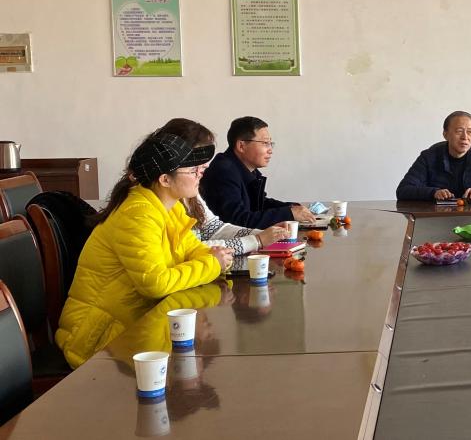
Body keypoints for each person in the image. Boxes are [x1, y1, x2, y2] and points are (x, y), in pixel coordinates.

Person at [56, 133, 233, 368]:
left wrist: (215, 259)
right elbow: (155, 283)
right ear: (165, 179)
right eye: (192, 170)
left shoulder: (168, 208)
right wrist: (213, 263)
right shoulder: (137, 215)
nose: (200, 174)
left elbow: (194, 250)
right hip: (98, 341)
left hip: (139, 330)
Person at [156, 118, 289, 255]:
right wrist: (257, 240)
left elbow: (214, 229)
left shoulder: (187, 192)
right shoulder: (155, 205)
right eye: (195, 162)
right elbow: (190, 248)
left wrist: (265, 234)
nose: (205, 166)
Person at [199, 116, 315, 229]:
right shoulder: (223, 172)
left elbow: (259, 204)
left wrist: (291, 208)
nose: (270, 150)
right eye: (265, 143)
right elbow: (237, 221)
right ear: (241, 146)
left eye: (271, 144)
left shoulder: (245, 169)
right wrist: (288, 213)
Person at [396, 111, 471, 201]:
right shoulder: (428, 157)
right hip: (438, 217)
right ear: (445, 134)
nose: (465, 137)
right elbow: (403, 190)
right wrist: (433, 192)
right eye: (459, 131)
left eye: (470, 132)